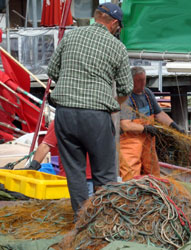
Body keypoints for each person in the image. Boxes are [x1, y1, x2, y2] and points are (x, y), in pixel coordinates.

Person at [47, 2, 133, 214]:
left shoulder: (71, 36)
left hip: (65, 113)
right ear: (113, 23)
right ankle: (102, 222)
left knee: (75, 173)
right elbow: (126, 87)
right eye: (119, 27)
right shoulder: (117, 47)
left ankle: (81, 221)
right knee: (104, 175)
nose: (118, 31)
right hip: (95, 116)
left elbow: (52, 71)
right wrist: (115, 105)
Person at [119, 66, 185, 181]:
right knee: (130, 174)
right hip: (130, 144)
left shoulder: (148, 93)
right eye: (139, 81)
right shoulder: (126, 98)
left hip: (148, 142)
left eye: (144, 79)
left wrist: (174, 127)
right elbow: (125, 125)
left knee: (152, 171)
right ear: (131, 81)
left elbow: (159, 114)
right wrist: (145, 128)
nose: (142, 83)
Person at [28, 121, 94, 195]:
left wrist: (32, 167)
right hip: (82, 177)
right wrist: (32, 167)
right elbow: (46, 145)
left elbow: (46, 145)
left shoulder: (60, 120)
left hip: (77, 177)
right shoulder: (96, 118)